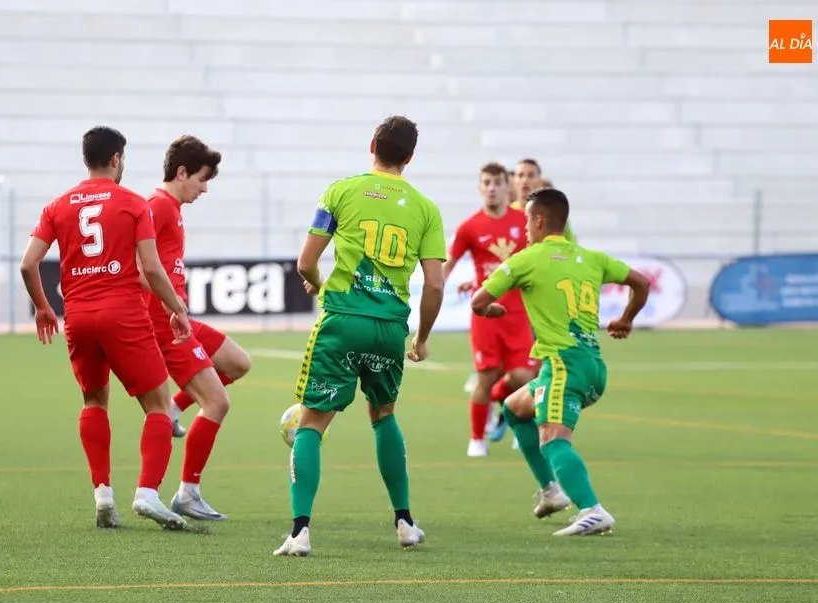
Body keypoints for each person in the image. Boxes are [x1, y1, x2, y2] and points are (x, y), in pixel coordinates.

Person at [273, 115, 446, 557]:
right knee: (383, 415)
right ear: (409, 157)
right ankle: (405, 522)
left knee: (312, 421)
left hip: (343, 320)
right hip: (390, 328)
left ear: (372, 145)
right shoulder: (426, 209)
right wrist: (422, 337)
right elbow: (436, 284)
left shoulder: (341, 191)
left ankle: (300, 532)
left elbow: (306, 262)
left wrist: (316, 284)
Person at [19, 126, 191, 531]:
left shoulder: (58, 206)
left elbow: (28, 264)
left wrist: (44, 309)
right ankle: (148, 492)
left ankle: (103, 494)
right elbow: (149, 267)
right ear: (116, 159)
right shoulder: (133, 203)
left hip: (79, 318)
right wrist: (176, 305)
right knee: (159, 405)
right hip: (123, 315)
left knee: (94, 402)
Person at [470, 187, 650, 535]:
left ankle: (592, 509)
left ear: (539, 220)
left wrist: (492, 310)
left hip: (562, 365)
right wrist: (626, 319)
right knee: (514, 408)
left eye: (526, 221)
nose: (523, 229)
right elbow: (640, 282)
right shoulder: (592, 258)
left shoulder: (527, 259)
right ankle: (551, 491)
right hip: (592, 365)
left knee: (552, 438)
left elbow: (479, 301)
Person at [141, 135, 251, 522]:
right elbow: (137, 267)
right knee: (217, 403)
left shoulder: (170, 208)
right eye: (202, 180)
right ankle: (188, 492)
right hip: (165, 324)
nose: (204, 189)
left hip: (179, 318)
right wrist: (169, 306)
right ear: (182, 172)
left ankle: (173, 406)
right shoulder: (157, 207)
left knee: (238, 363)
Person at [443, 163, 538, 458]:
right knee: (487, 375)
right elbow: (448, 263)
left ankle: (502, 404)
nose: (493, 187)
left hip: (518, 313)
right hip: (485, 313)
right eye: (487, 182)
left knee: (523, 376)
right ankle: (476, 440)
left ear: (506, 185)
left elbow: (535, 260)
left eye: (498, 182)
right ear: (480, 187)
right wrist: (437, 285)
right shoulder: (469, 227)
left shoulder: (524, 222)